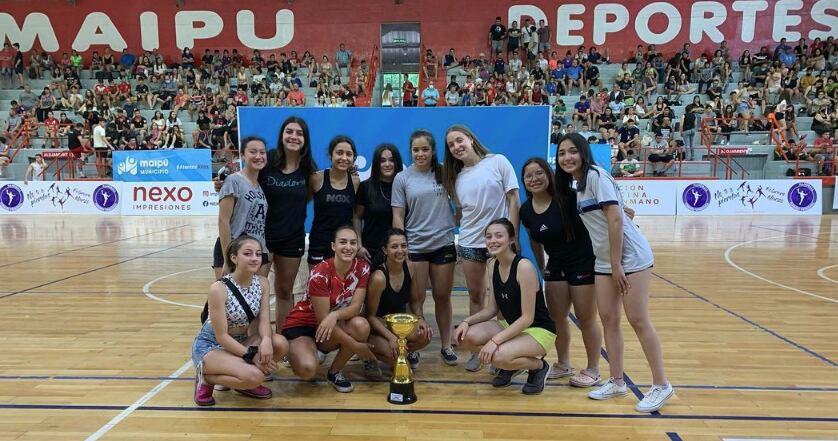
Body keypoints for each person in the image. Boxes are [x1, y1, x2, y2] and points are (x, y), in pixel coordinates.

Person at [555, 133, 673, 413]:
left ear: (584, 153)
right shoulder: (580, 184)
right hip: (605, 260)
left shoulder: (596, 175)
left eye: (573, 151)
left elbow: (616, 217)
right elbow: (620, 212)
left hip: (629, 258)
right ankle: (617, 381)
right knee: (608, 319)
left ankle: (661, 385)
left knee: (638, 319)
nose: (567, 157)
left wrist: (618, 263)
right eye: (561, 153)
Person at [442, 124, 520, 372]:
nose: (456, 147)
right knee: (476, 297)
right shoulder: (456, 178)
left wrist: (512, 236)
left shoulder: (498, 162)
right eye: (451, 145)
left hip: (498, 246)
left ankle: (503, 352)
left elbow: (514, 199)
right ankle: (477, 351)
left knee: (505, 301)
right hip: (469, 243)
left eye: (459, 140)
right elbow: (462, 212)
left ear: (471, 139)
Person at [453, 218, 555, 394]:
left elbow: (527, 318)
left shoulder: (524, 267)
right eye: (489, 236)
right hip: (510, 325)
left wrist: (495, 341)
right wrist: (466, 322)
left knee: (498, 355)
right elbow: (492, 309)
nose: (493, 240)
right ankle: (510, 364)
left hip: (538, 330)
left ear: (511, 240)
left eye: (499, 236)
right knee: (466, 337)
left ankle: (538, 366)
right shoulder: (492, 264)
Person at [192, 235, 289, 406]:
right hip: (212, 346)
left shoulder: (263, 283)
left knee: (279, 343)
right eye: (248, 253)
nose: (254, 258)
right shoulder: (218, 288)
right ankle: (206, 378)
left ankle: (243, 382)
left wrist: (266, 339)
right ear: (234, 257)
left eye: (258, 254)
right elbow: (221, 336)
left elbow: (264, 320)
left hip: (240, 341)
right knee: (256, 376)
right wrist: (252, 356)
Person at [392, 130, 458, 366]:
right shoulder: (403, 178)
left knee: (442, 296)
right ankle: (413, 345)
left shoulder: (444, 172)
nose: (420, 154)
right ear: (411, 151)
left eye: (425, 149)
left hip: (443, 244)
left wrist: (457, 219)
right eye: (416, 150)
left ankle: (446, 345)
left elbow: (460, 202)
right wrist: (402, 245)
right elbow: (398, 215)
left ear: (432, 151)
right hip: (416, 245)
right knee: (416, 298)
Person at [282, 226, 374, 393]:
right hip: (303, 325)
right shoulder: (320, 273)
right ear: (333, 246)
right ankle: (297, 350)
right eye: (343, 242)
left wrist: (336, 315)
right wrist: (355, 346)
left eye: (353, 243)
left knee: (361, 326)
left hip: (328, 328)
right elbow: (322, 319)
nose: (348, 247)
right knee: (307, 370)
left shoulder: (363, 268)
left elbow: (355, 307)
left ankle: (334, 372)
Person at [257, 117, 318, 332]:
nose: (293, 136)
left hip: (292, 238)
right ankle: (255, 341)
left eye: (299, 133)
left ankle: (281, 340)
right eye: (289, 132)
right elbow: (246, 180)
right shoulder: (268, 159)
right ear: (282, 135)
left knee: (284, 291)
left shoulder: (308, 169)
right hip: (262, 238)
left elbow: (309, 197)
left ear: (305, 139)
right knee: (257, 292)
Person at [363, 228, 433, 373]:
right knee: (397, 359)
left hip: (397, 324)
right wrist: (390, 338)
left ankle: (404, 351)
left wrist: (420, 318)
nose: (400, 250)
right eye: (394, 246)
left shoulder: (410, 266)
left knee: (425, 334)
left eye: (404, 246)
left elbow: (414, 302)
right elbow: (369, 316)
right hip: (377, 328)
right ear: (385, 250)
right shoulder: (379, 278)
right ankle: (368, 356)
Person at [214, 137, 270, 279]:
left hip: (257, 250)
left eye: (262, 152)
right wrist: (228, 259)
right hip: (234, 250)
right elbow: (223, 221)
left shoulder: (260, 186)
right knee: (228, 299)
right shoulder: (233, 181)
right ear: (242, 155)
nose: (258, 156)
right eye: (253, 152)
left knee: (252, 300)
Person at [308, 135, 360, 268]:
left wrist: (358, 242)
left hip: (344, 246)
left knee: (342, 287)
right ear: (330, 155)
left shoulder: (355, 182)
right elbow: (301, 203)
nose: (344, 158)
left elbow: (355, 216)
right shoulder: (316, 178)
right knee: (318, 286)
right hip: (319, 243)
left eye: (349, 154)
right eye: (339, 153)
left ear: (353, 158)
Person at [355, 143, 403, 265]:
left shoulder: (405, 187)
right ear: (376, 163)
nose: (387, 164)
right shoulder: (365, 187)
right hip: (370, 253)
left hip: (399, 252)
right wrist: (359, 245)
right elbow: (356, 217)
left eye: (392, 160)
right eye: (382, 161)